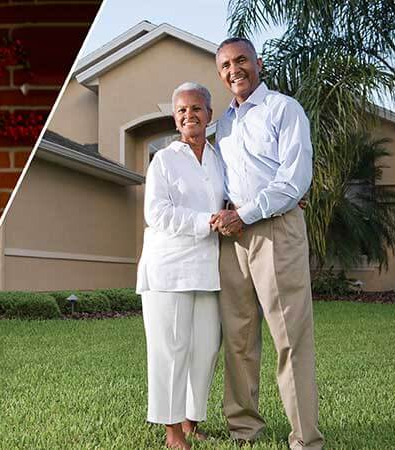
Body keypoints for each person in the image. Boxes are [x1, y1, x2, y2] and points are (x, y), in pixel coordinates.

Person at [212, 37, 323, 449]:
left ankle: (305, 439)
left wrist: (244, 213)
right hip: (233, 236)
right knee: (238, 336)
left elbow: (294, 181)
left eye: (240, 60)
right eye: (224, 65)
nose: (233, 70)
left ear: (257, 63)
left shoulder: (283, 109)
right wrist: (227, 213)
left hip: (276, 229)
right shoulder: (223, 123)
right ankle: (245, 429)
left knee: (290, 338)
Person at [136, 82, 224, 449]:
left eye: (196, 108)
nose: (190, 115)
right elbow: (156, 213)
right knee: (170, 351)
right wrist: (207, 221)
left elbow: (234, 198)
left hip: (208, 269)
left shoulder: (219, 159)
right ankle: (173, 432)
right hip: (168, 269)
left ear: (209, 114)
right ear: (175, 119)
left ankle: (192, 421)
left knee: (205, 348)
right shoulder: (164, 159)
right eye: (182, 110)